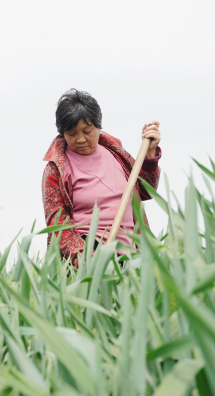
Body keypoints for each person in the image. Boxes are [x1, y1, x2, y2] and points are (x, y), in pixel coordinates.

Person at [42, 89, 162, 265]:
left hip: (132, 251)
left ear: (99, 124)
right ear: (62, 133)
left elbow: (145, 191)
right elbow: (58, 224)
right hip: (89, 252)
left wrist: (149, 155)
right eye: (72, 134)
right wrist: (89, 261)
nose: (81, 139)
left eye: (87, 131)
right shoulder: (56, 169)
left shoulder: (116, 153)